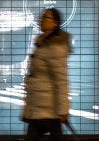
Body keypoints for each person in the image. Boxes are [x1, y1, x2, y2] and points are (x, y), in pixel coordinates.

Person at [22, 8, 71, 140]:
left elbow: (61, 79)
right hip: (41, 105)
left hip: (48, 108)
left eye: (46, 17)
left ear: (56, 23)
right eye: (42, 17)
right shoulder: (43, 42)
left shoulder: (55, 46)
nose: (41, 20)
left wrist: (63, 110)